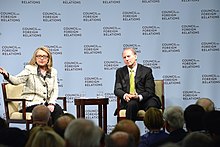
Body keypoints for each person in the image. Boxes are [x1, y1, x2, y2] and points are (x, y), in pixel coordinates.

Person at [0, 46, 63, 124]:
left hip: (45, 104)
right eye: (39, 56)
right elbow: (16, 80)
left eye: (44, 56)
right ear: (35, 58)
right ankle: (43, 134)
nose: (42, 58)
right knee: (44, 112)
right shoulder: (29, 69)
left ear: (48, 59)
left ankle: (56, 134)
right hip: (29, 104)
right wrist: (7, 75)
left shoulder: (53, 72)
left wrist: (51, 103)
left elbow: (55, 89)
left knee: (58, 110)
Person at [114, 48, 161, 122]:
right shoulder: (120, 71)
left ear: (135, 56)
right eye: (124, 57)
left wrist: (138, 96)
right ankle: (130, 131)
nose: (126, 59)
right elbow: (117, 90)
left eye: (128, 56)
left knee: (152, 105)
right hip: (131, 101)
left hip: (145, 99)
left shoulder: (146, 71)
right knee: (131, 105)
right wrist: (125, 95)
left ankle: (153, 131)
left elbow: (150, 91)